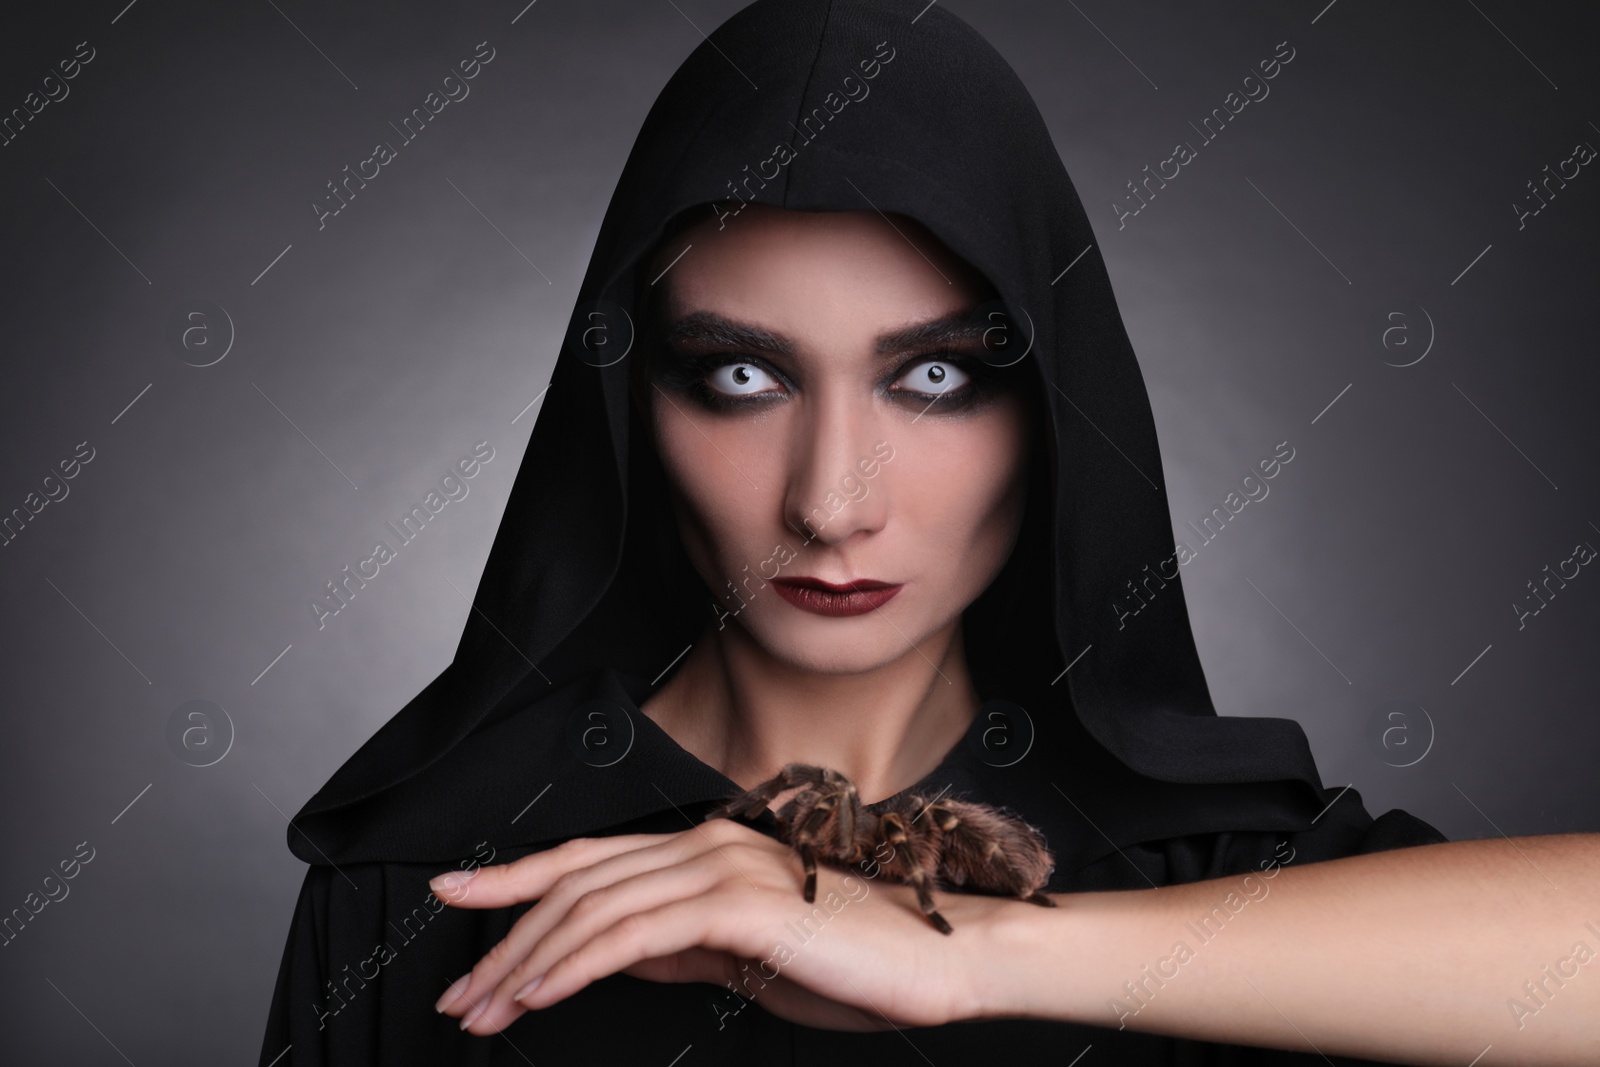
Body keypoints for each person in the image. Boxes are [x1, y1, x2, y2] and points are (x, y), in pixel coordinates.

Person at [257, 2, 1599, 1064]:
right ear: (628, 405)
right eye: (741, 377)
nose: (831, 503)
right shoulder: (438, 888)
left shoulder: (1225, 876)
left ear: (1054, 409)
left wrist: (976, 958)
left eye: (935, 377)